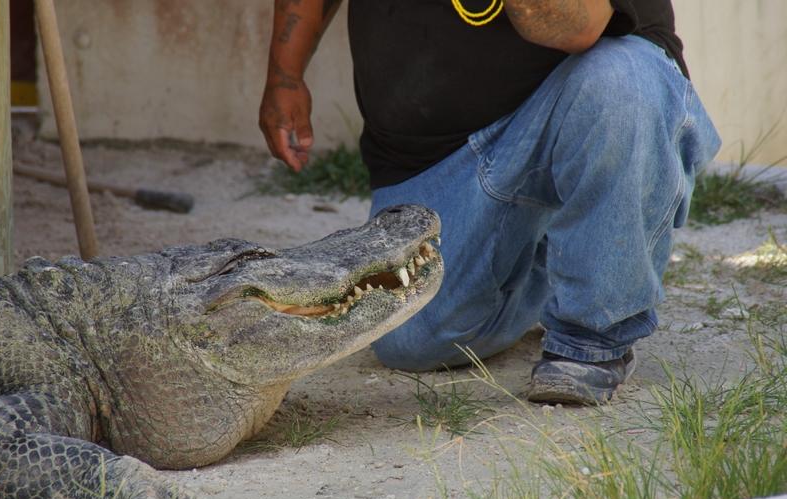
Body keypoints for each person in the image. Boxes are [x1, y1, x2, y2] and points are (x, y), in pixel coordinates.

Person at [259, 0, 721, 405]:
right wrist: (286, 74)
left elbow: (575, 25)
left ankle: (592, 338)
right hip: (430, 157)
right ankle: (554, 252)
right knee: (411, 342)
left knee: (625, 77)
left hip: (577, 97)